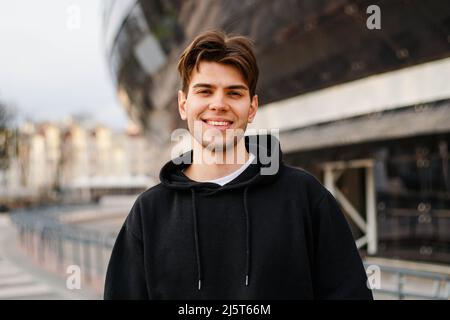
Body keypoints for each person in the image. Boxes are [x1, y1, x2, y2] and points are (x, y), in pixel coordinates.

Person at [104, 30, 373, 300]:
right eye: (205, 91)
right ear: (183, 104)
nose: (218, 104)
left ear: (252, 108)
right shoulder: (150, 212)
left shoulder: (304, 197)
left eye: (234, 93)